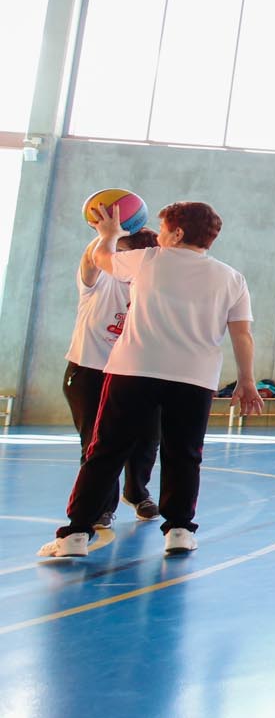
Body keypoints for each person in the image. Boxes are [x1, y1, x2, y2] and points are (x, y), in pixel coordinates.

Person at [39, 202, 262, 561]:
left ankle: (75, 534)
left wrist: (108, 235)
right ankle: (179, 532)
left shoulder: (149, 260)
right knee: (184, 455)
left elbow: (102, 259)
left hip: (135, 371)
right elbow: (242, 335)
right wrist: (247, 381)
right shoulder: (232, 277)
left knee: (105, 452)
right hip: (194, 377)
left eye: (162, 229)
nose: (157, 236)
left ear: (176, 233)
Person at [61, 225, 162, 527]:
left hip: (134, 373)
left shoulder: (152, 291)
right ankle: (102, 504)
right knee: (97, 442)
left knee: (147, 438)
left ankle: (136, 492)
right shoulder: (99, 281)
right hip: (89, 372)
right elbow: (92, 258)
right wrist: (110, 232)